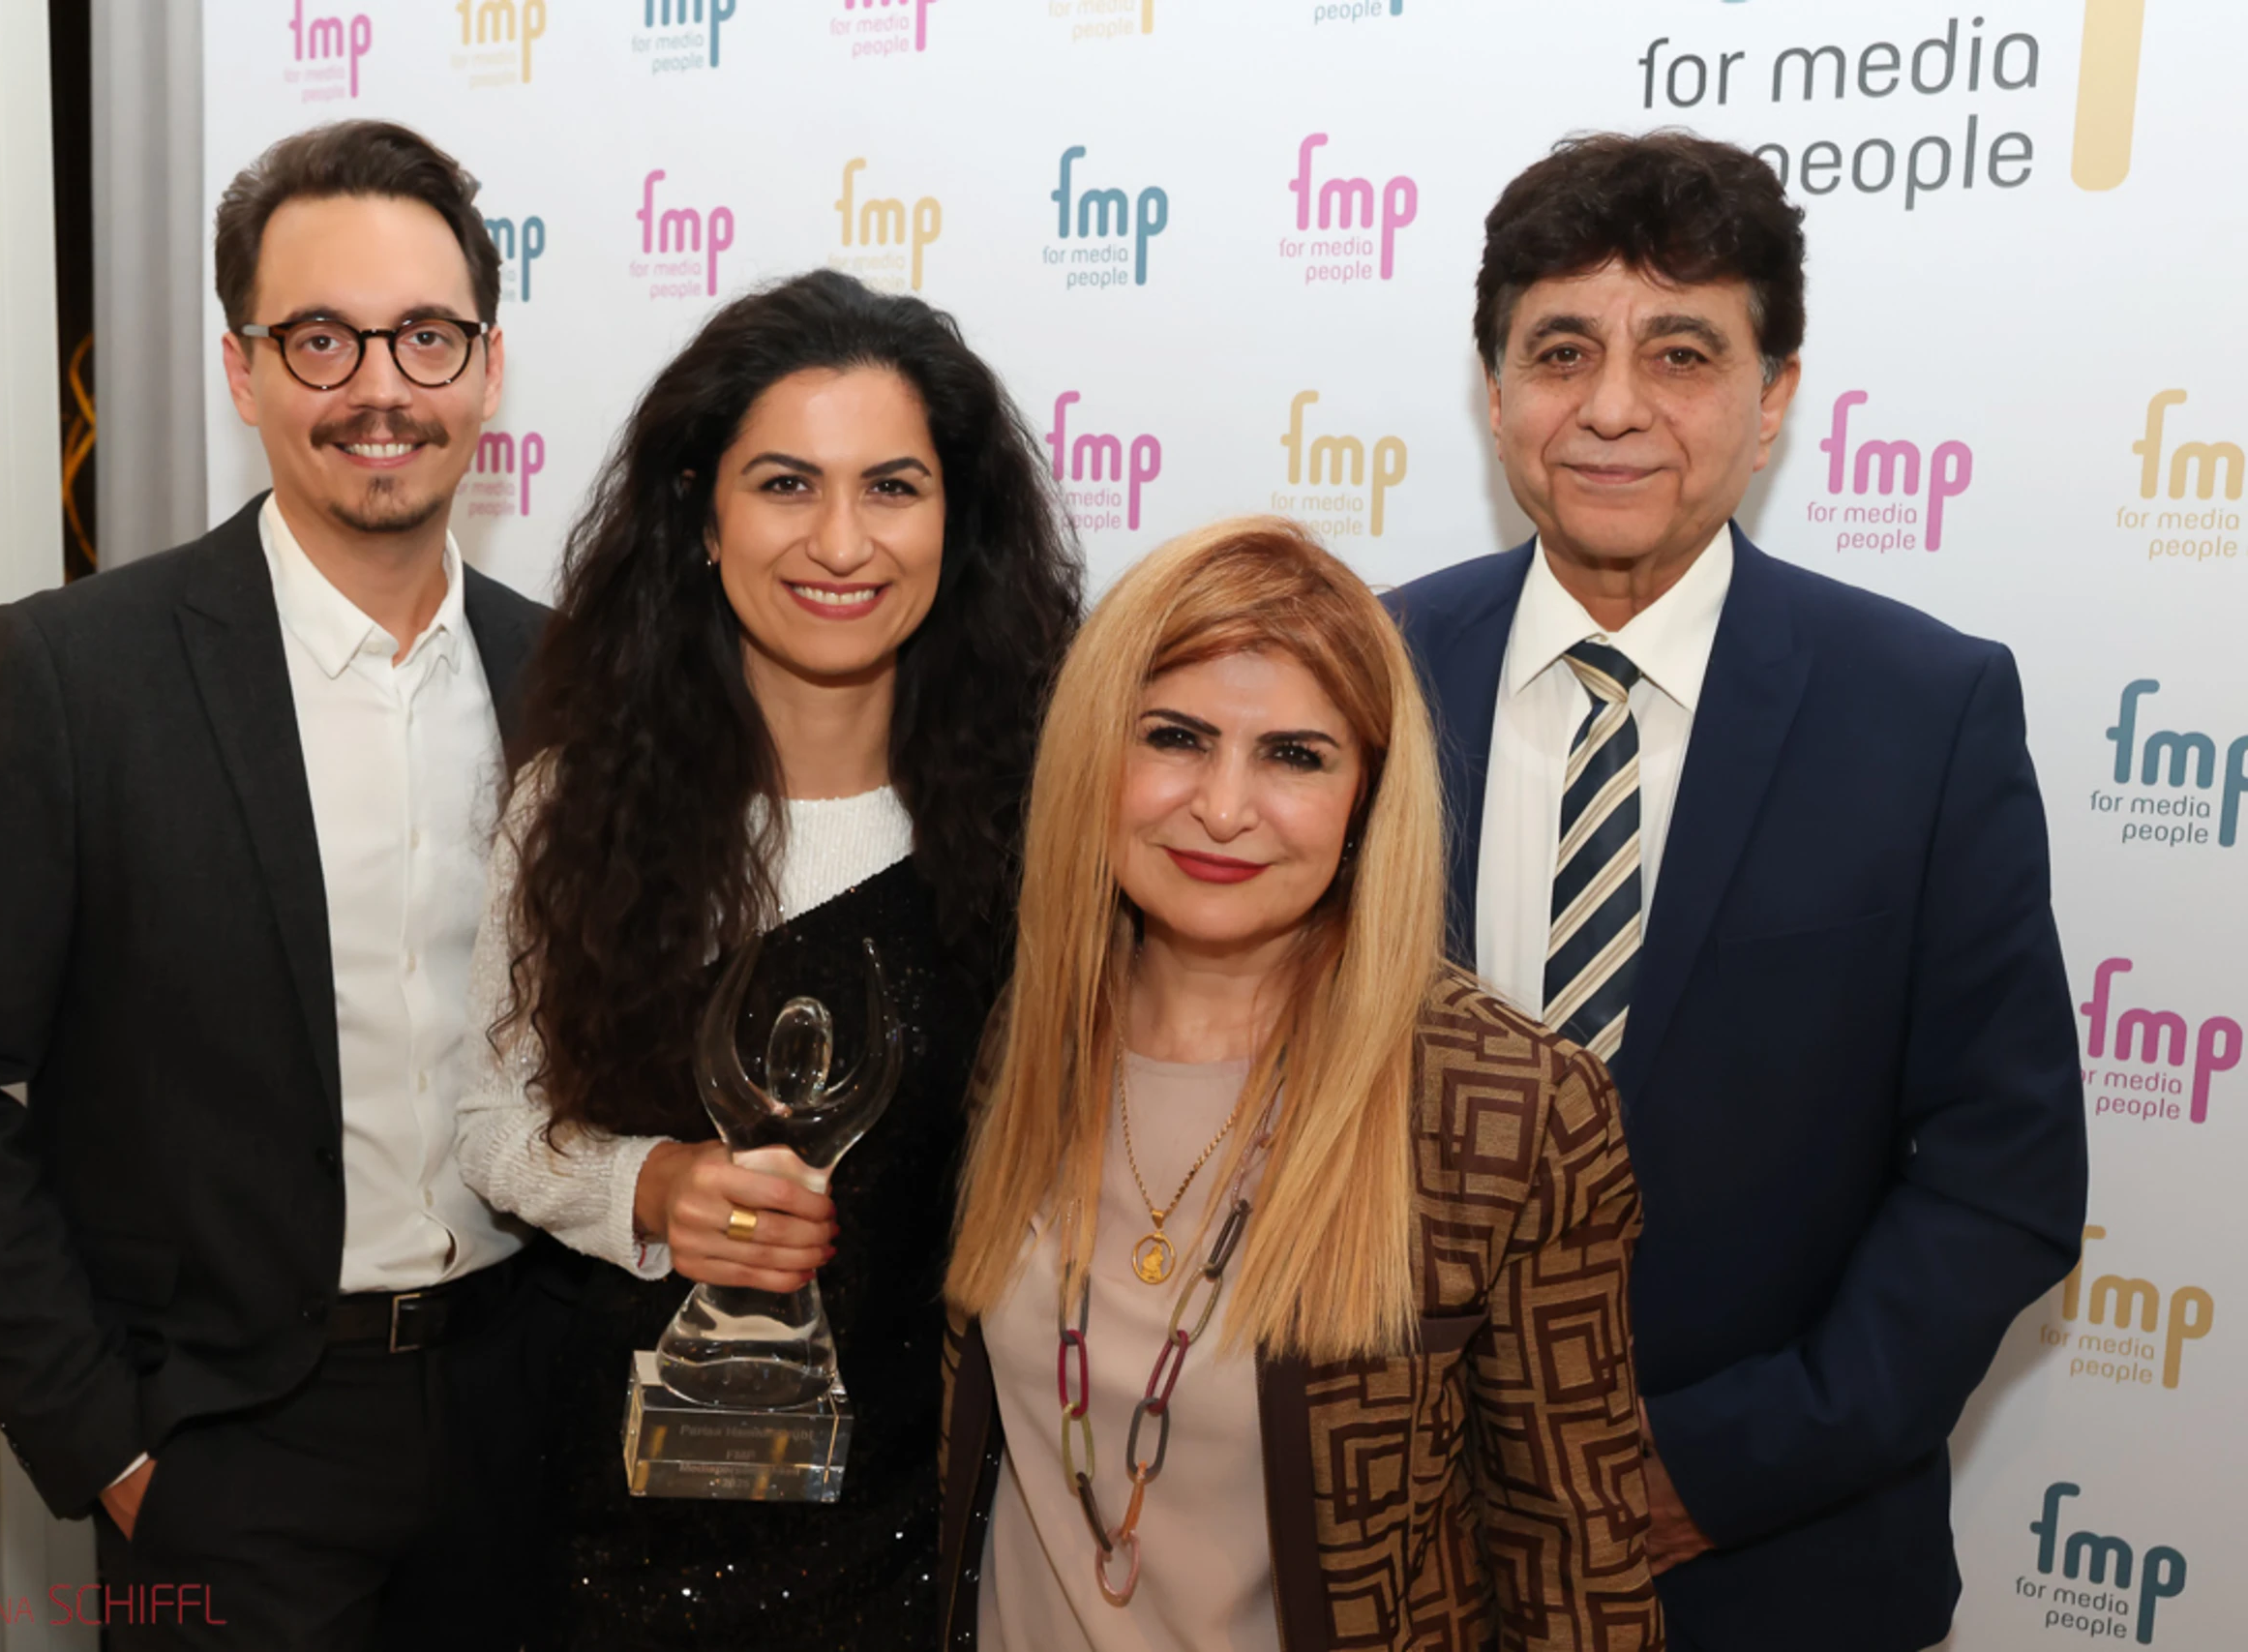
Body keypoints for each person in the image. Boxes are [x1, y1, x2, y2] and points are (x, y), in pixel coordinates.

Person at [0, 120, 559, 1648]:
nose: (380, 386)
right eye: (320, 339)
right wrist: (108, 1444)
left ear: (487, 367)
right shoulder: (70, 678)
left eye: (426, 335)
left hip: (524, 1433)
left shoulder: (567, 675)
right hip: (229, 1453)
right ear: (242, 371)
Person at [1385, 133, 2088, 1651]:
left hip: (1773, 1565)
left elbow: (2002, 1170)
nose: (1613, 405)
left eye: (1682, 352)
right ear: (1495, 392)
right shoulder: (1359, 678)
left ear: (1773, 400)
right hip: (1395, 1553)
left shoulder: (1926, 710)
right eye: (1560, 351)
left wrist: (1705, 1473)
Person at [454, 267, 1085, 1648]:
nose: (841, 542)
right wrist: (645, 1183)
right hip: (611, 1525)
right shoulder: (577, 805)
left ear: (958, 519)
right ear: (702, 513)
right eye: (787, 484)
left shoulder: (1048, 822)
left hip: (931, 1523)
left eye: (893, 487)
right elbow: (492, 1119)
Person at [942, 518, 1662, 1650]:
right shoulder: (1023, 1033)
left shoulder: (1508, 1107)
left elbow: (1576, 1573)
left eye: (1294, 756)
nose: (1224, 808)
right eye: (1173, 737)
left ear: (1366, 797)